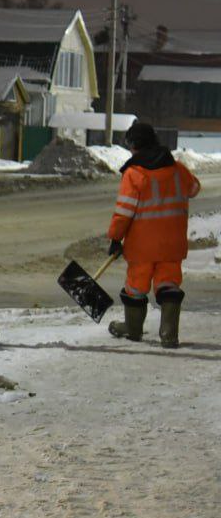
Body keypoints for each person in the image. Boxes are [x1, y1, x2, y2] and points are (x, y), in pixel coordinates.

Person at [106, 121, 200, 348]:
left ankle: (133, 328)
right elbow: (194, 189)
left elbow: (123, 212)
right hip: (172, 244)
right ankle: (169, 333)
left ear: (134, 146)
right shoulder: (178, 169)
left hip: (142, 246)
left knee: (136, 286)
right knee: (169, 283)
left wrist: (115, 238)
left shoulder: (134, 174)